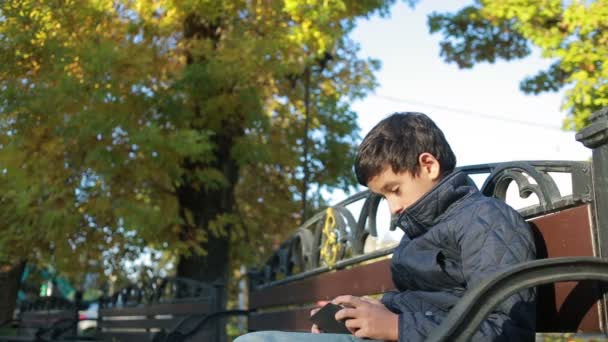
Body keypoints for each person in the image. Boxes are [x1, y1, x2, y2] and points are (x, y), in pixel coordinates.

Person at [235, 112, 536, 342]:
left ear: (428, 165)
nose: (393, 208)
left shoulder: (487, 221)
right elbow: (424, 303)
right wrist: (358, 314)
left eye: (394, 189)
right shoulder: (420, 229)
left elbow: (508, 330)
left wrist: (395, 327)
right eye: (384, 196)